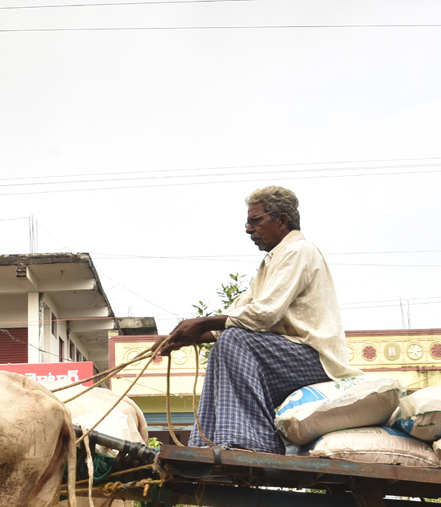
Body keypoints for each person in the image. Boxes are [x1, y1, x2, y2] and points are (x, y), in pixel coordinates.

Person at [154, 186, 359, 453]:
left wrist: (202, 323)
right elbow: (235, 317)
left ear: (282, 221)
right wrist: (178, 340)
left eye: (255, 221)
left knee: (235, 340)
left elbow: (264, 314)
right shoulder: (271, 263)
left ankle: (251, 443)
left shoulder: (299, 251)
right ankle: (206, 445)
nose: (249, 230)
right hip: (288, 357)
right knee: (223, 349)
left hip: (316, 359)